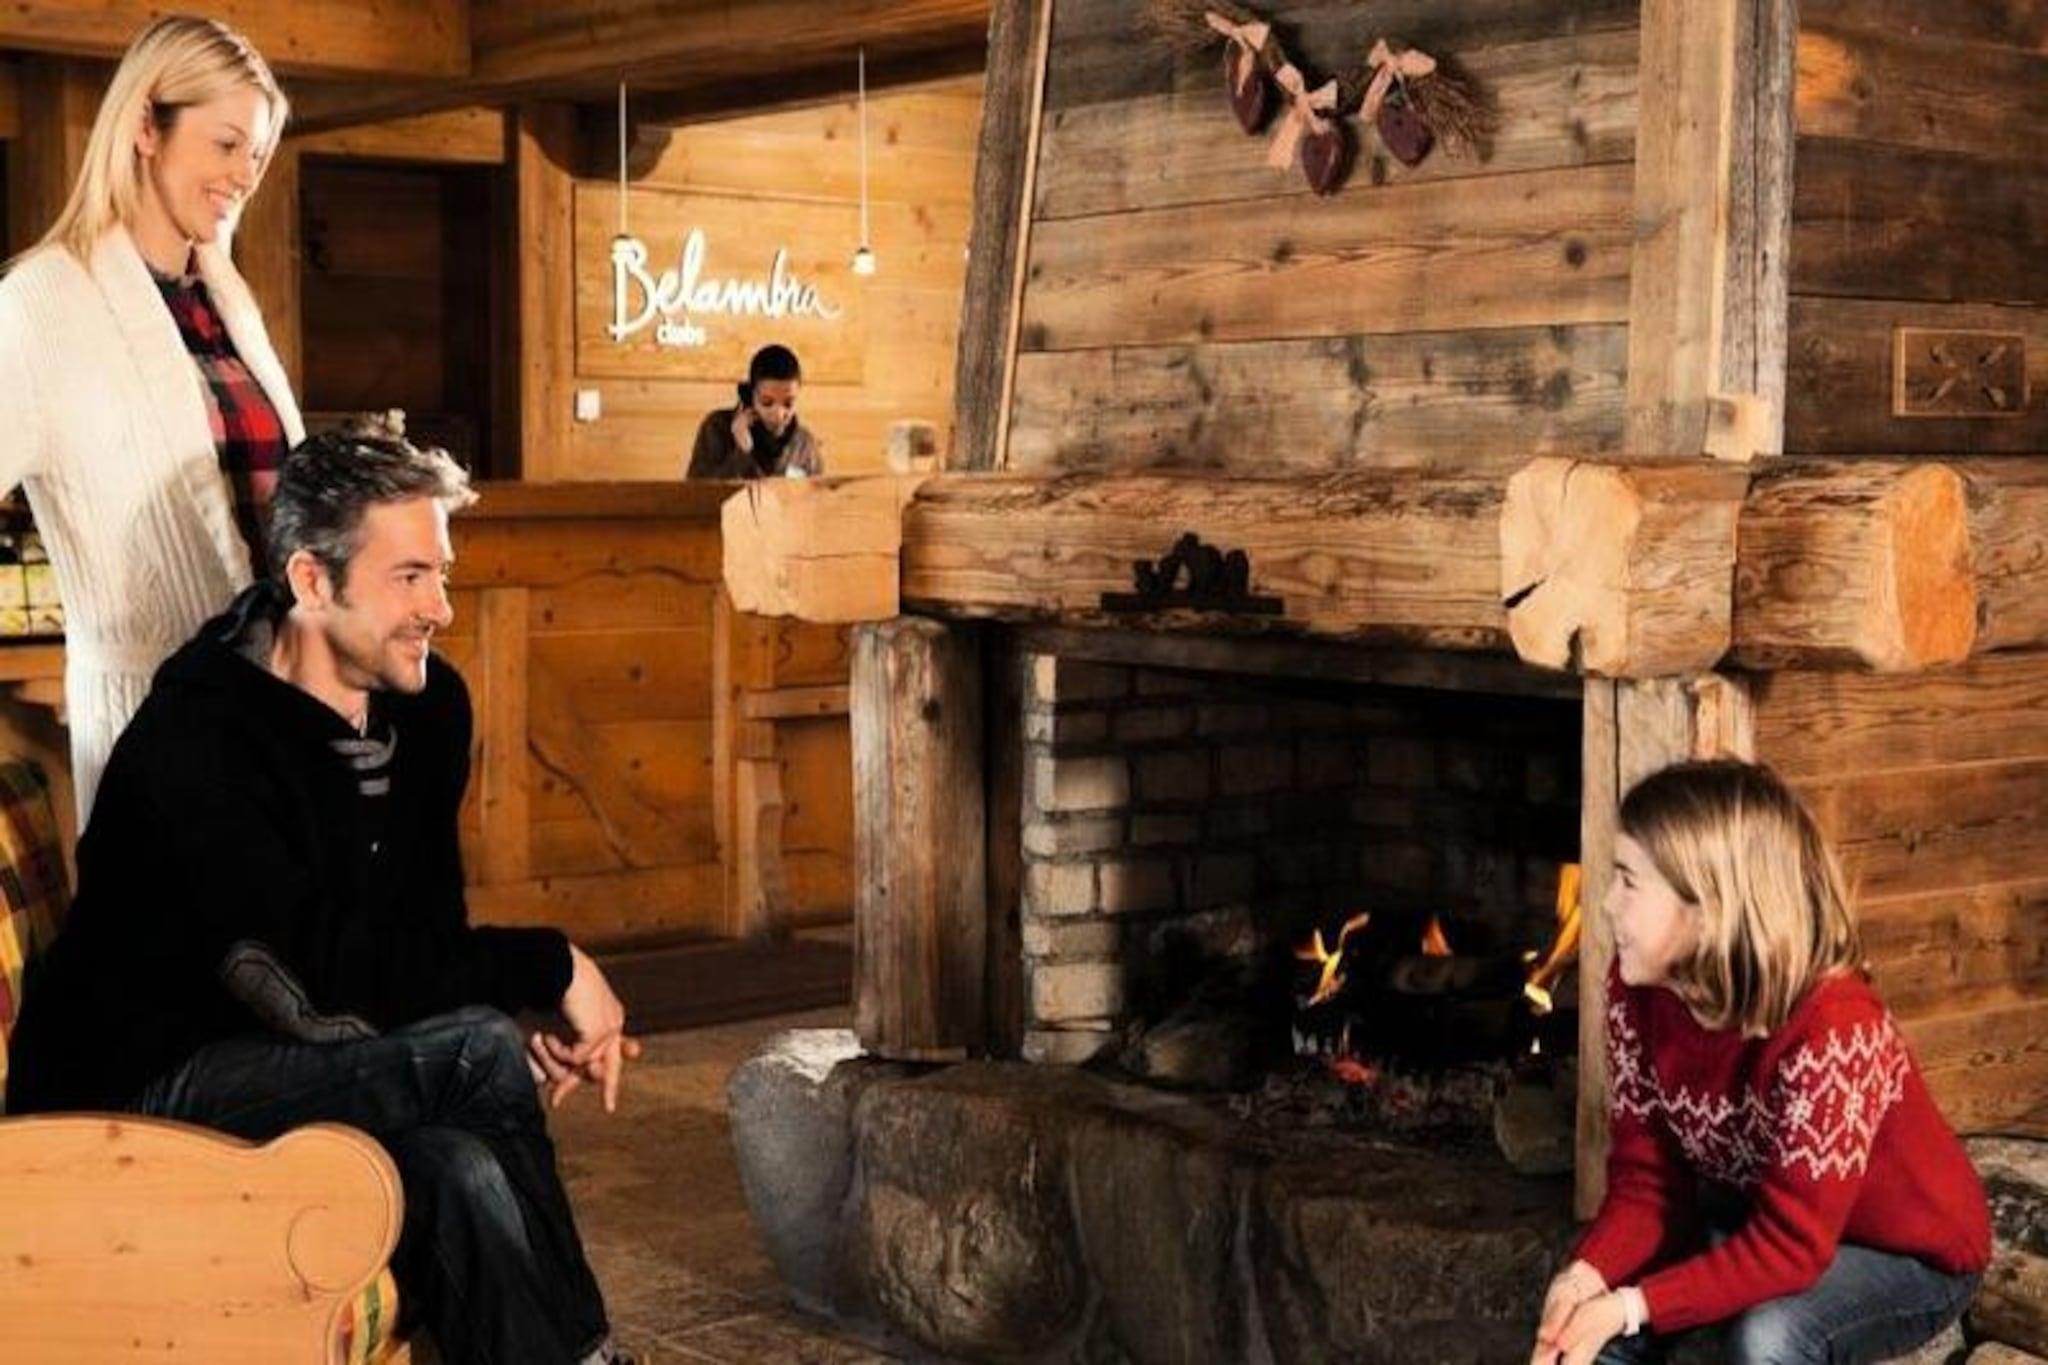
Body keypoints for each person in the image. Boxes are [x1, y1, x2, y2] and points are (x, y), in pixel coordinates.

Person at [5, 430, 637, 1365]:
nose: (440, 608)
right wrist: (553, 967)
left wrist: (477, 1004)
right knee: (478, 1047)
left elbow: (424, 932)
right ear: (310, 579)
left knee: (457, 1167)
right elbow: (320, 985)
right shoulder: (199, 736)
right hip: (134, 1097)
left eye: (441, 573)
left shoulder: (428, 707)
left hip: (289, 1062)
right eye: (409, 577)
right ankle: (592, 1354)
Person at [1530, 761, 1989, 1365]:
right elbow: (1648, 1181)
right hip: (1761, 1215)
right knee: (1590, 1305)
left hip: (1905, 1255)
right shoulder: (1637, 988)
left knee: (1768, 1338)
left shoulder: (1835, 1025)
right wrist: (1585, 1277)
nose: (1607, 903)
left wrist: (1632, 1305)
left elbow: (1793, 1246)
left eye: (1628, 881)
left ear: (1708, 907)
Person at [0, 14, 302, 823]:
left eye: (258, 154)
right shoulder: (40, 305)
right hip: (147, 725)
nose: (244, 175)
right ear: (144, 128)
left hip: (281, 718)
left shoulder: (228, 303)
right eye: (226, 144)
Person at [685, 343, 825, 479]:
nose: (778, 414)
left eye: (788, 404)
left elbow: (820, 493)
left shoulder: (805, 444)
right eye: (767, 403)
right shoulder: (717, 427)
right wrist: (741, 452)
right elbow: (697, 491)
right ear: (751, 396)